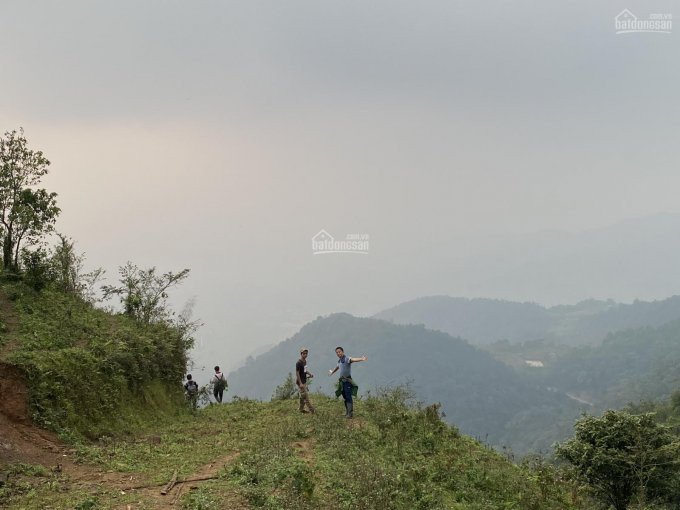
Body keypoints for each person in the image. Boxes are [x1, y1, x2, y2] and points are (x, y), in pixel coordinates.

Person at [328, 346, 367, 418]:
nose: (338, 353)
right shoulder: (339, 361)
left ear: (343, 352)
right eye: (337, 352)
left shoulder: (347, 359)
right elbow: (337, 367)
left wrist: (361, 359)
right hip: (342, 382)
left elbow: (353, 359)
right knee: (345, 396)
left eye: (339, 352)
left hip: (347, 381)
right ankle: (347, 412)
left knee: (348, 396)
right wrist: (332, 372)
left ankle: (350, 414)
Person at [296, 348, 315, 414]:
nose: (305, 355)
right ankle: (312, 410)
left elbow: (305, 370)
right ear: (301, 354)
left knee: (302, 397)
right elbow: (297, 373)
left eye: (306, 353)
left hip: (304, 381)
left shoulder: (305, 361)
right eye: (304, 353)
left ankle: (301, 410)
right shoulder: (298, 362)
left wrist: (310, 374)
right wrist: (300, 383)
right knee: (306, 397)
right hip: (300, 382)